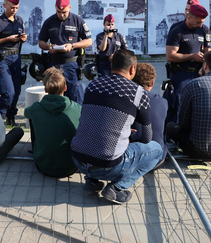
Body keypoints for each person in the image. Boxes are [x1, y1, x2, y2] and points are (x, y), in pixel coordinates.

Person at [70, 50, 164, 205]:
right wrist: (127, 136)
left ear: (112, 65)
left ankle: (92, 182)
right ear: (133, 69)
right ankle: (117, 188)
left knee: (92, 137)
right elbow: (146, 138)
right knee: (157, 149)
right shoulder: (139, 93)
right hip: (108, 167)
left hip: (78, 159)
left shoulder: (92, 85)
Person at [166, 50, 211, 160]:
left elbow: (183, 122)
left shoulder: (193, 84)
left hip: (197, 151)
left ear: (205, 65)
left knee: (171, 127)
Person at [24, 67, 80, 177]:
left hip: (43, 166)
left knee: (33, 118)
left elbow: (26, 113)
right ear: (65, 88)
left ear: (45, 89)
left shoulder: (36, 108)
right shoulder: (78, 108)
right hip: (72, 166)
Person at [38, 0, 92, 104]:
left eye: (64, 12)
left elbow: (89, 41)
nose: (61, 15)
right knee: (54, 98)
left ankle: (76, 120)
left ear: (70, 8)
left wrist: (72, 46)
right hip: (54, 65)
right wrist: (49, 47)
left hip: (71, 65)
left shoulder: (78, 21)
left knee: (75, 97)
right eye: (59, 12)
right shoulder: (49, 22)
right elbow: (41, 42)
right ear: (55, 8)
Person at [164, 3, 210, 123]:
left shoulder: (204, 29)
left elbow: (208, 50)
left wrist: (206, 58)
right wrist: (192, 56)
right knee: (180, 103)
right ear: (189, 17)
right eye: (198, 22)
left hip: (199, 72)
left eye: (202, 22)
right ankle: (176, 133)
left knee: (199, 103)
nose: (201, 25)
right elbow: (170, 56)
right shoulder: (177, 31)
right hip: (182, 73)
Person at [0, 0, 27, 125]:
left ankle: (11, 116)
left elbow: (22, 35)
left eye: (16, 8)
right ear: (4, 4)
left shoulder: (19, 20)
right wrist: (7, 39)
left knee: (16, 91)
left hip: (16, 57)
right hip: (3, 58)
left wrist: (23, 38)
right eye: (12, 7)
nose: (14, 10)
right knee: (8, 92)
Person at [130, 63, 168, 168]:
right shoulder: (163, 101)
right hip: (157, 160)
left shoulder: (126, 100)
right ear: (152, 83)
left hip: (133, 159)